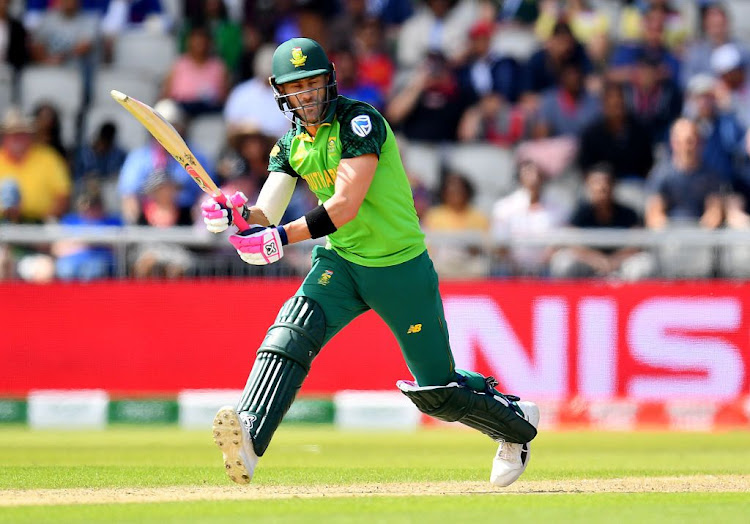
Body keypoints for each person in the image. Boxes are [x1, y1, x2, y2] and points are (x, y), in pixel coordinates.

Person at [200, 38, 539, 487]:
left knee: (436, 392)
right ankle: (249, 434)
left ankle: (514, 422)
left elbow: (344, 205)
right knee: (291, 330)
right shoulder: (287, 146)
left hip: (400, 267)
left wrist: (279, 238)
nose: (307, 96)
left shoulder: (360, 122)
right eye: (296, 88)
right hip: (342, 261)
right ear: (281, 94)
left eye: (314, 84)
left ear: (330, 82)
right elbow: (266, 214)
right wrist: (235, 216)